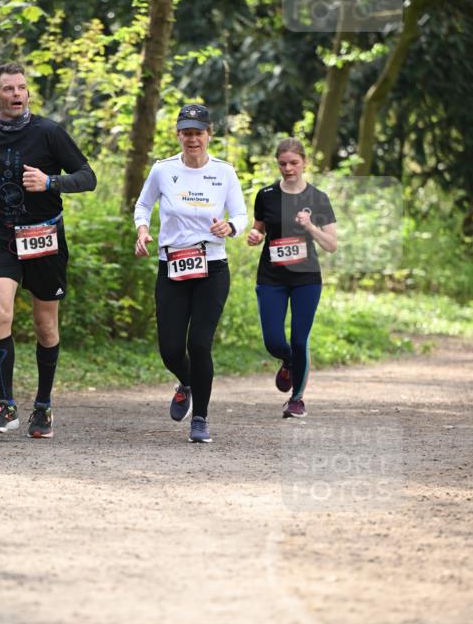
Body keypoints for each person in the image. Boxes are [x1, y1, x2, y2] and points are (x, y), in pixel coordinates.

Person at [0, 62, 96, 436]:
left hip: (43, 237)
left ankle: (43, 406)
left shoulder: (50, 132)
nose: (17, 94)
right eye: (8, 89)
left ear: (28, 94)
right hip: (1, 238)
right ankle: (6, 405)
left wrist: (50, 181)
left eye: (21, 88)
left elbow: (88, 178)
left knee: (44, 325)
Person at [134, 104, 247, 443]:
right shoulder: (163, 170)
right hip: (172, 265)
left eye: (198, 132)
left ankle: (200, 418)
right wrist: (142, 230)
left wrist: (230, 226)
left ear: (209, 135)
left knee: (199, 343)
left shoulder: (224, 172)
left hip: (212, 265)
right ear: (178, 135)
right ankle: (186, 383)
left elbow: (240, 214)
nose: (192, 138)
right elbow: (143, 205)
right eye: (187, 132)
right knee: (170, 349)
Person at [247, 137, 337, 418]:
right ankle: (288, 361)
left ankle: (297, 399)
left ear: (304, 163)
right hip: (271, 277)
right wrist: (254, 235)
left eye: (294, 163)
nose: (288, 168)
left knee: (300, 340)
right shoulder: (266, 195)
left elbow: (331, 244)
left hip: (306, 279)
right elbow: (259, 229)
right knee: (274, 341)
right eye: (283, 163)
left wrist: (310, 226)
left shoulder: (318, 198)